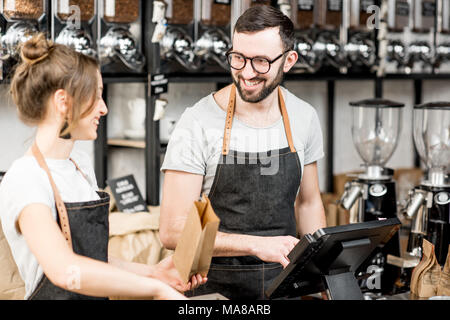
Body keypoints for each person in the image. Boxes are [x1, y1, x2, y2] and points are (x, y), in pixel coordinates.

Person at [0, 34, 206, 300]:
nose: (104, 108)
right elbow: (66, 270)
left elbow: (94, 261)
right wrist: (155, 290)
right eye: (96, 96)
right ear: (64, 102)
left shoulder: (80, 166)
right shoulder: (25, 178)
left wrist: (154, 273)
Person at [159, 5, 327, 300]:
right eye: (238, 58)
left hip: (284, 288)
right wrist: (255, 245)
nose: (246, 73)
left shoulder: (304, 117)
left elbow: (308, 204)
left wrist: (323, 279)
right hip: (212, 291)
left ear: (288, 61)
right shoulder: (197, 122)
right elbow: (173, 232)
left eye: (261, 61)